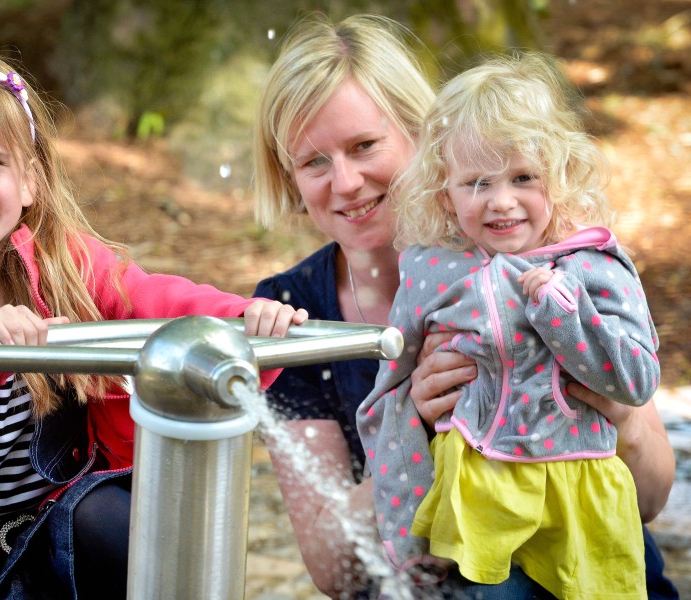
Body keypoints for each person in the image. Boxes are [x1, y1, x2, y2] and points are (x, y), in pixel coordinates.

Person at [252, 13, 677, 600]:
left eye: (364, 145)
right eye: (313, 161)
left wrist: (612, 405)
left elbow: (653, 498)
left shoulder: (548, 249)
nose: (345, 182)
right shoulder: (292, 310)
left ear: (425, 138)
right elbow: (332, 569)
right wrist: (414, 432)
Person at [0, 48, 308, 599]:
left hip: (51, 542)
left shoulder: (69, 267)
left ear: (30, 181)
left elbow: (156, 300)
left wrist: (238, 323)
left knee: (112, 511)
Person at [358, 50, 661, 599]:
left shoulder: (592, 265)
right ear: (444, 193)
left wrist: (563, 314)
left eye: (523, 176)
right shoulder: (430, 272)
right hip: (481, 498)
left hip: (583, 491)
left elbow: (636, 380)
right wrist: (405, 536)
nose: (501, 202)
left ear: (560, 173)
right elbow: (389, 398)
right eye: (476, 183)